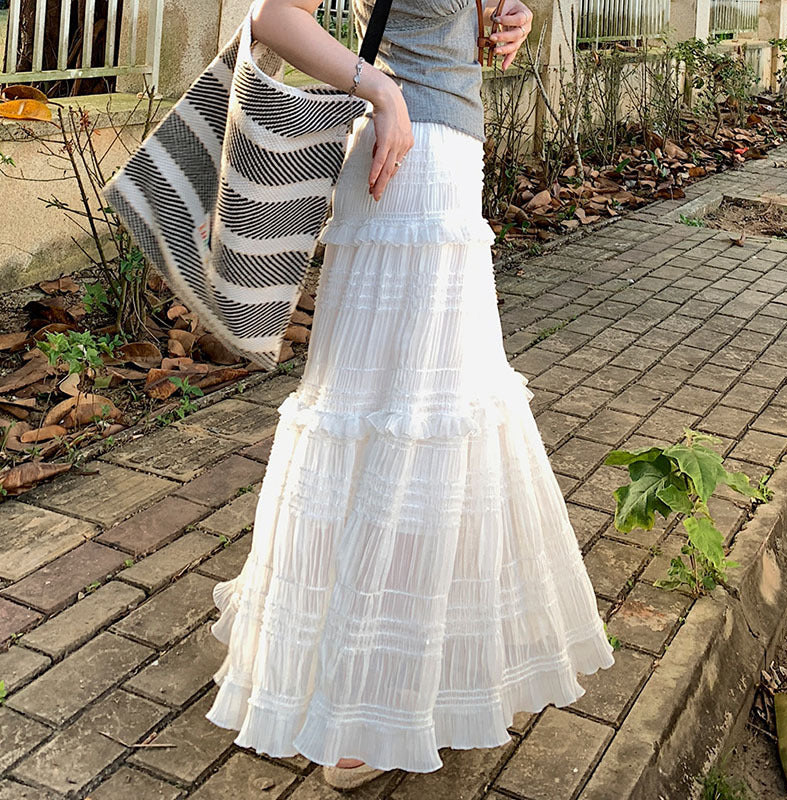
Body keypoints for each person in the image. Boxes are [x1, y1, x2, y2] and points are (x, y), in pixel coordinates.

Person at [204, 0, 616, 790]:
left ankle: (397, 673)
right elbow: (269, 16)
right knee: (402, 421)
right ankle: (361, 701)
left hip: (446, 168)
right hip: (406, 164)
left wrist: (507, 19)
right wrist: (381, 91)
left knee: (430, 418)